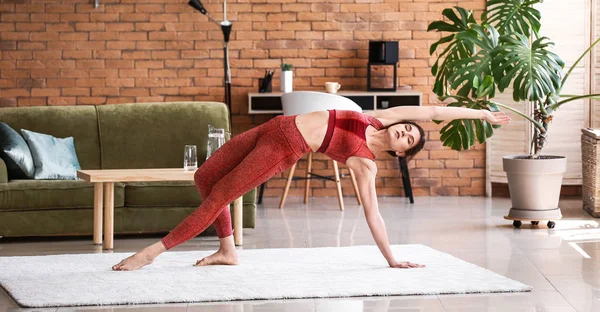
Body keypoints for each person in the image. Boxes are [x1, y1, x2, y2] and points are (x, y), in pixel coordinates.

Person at [112, 105, 510, 271]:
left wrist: (391, 259)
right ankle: (228, 249)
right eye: (407, 128)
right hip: (274, 126)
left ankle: (150, 253)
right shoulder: (376, 119)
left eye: (409, 138)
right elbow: (434, 111)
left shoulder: (364, 163)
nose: (406, 129)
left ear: (402, 154)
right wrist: (481, 115)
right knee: (204, 177)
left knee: (220, 196)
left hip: (283, 148)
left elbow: (373, 214)